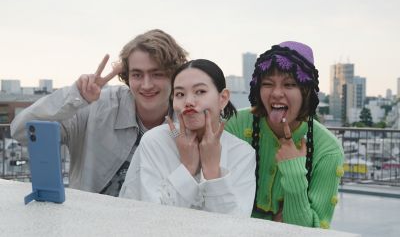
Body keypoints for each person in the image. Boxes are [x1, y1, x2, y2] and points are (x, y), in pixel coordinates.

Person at [10, 29, 188, 196]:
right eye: (137, 75)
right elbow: (20, 131)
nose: (147, 85)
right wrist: (75, 96)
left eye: (157, 74)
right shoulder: (95, 107)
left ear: (174, 76)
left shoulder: (187, 123)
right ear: (127, 76)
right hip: (89, 222)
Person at [225, 41, 344, 228]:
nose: (276, 93)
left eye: (289, 84)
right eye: (267, 83)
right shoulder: (235, 124)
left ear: (306, 92)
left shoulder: (327, 150)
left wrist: (294, 171)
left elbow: (311, 231)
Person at [119, 59, 256, 216]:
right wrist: (187, 169)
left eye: (200, 92)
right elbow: (151, 216)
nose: (189, 102)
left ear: (223, 98)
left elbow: (235, 225)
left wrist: (212, 171)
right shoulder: (155, 141)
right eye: (180, 94)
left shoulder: (242, 153)